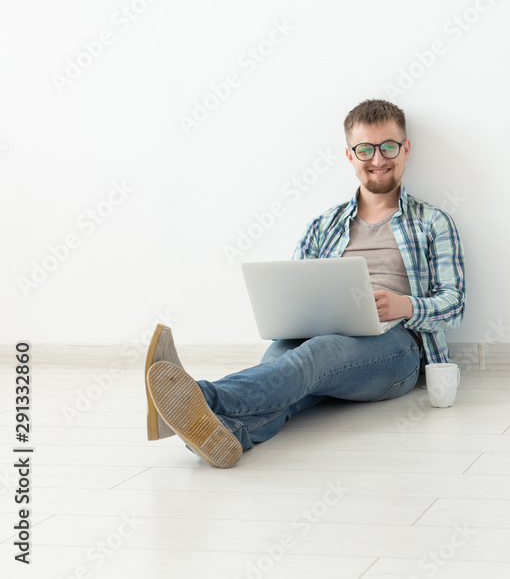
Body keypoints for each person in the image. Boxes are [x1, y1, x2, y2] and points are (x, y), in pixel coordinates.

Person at [144, 99, 466, 468]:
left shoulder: (433, 222)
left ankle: (198, 396)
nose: (378, 159)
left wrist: (404, 305)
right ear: (350, 155)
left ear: (405, 149)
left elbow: (456, 303)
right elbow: (294, 291)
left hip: (397, 348)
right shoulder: (321, 226)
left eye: (388, 146)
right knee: (290, 371)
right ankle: (227, 435)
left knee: (312, 358)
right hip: (319, 339)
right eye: (365, 150)